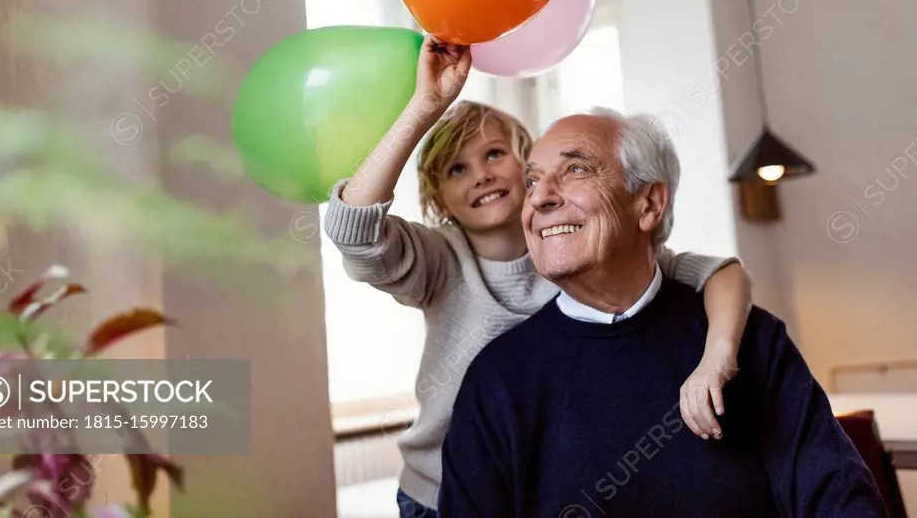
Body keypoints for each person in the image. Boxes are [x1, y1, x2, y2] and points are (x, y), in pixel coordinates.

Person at [323, 37, 754, 518]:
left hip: (543, 486)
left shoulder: (580, 251)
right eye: (456, 169)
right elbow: (353, 230)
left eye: (493, 154)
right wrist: (425, 106)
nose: (481, 175)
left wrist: (717, 357)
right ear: (440, 199)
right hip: (441, 494)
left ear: (528, 166)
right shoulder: (438, 259)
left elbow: (722, 273)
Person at [439, 110, 888, 518]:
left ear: (649, 204)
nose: (539, 200)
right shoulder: (496, 379)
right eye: (533, 181)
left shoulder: (754, 342)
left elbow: (840, 499)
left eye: (575, 170)